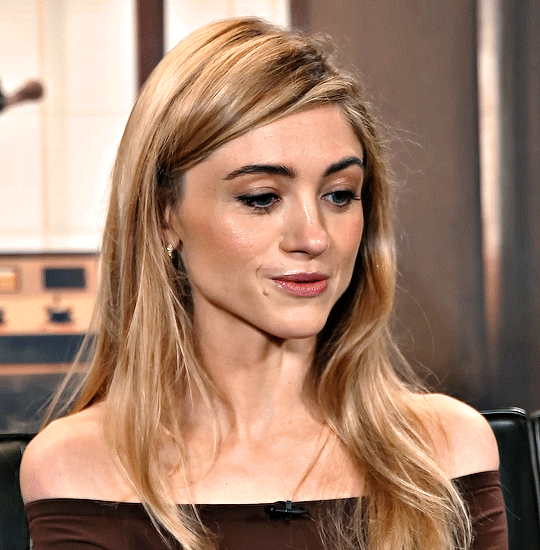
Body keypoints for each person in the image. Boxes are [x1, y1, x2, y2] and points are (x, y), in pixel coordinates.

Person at [20, 17, 507, 550]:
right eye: (262, 198)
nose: (314, 237)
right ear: (164, 215)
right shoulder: (78, 468)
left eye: (339, 194)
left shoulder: (446, 452)